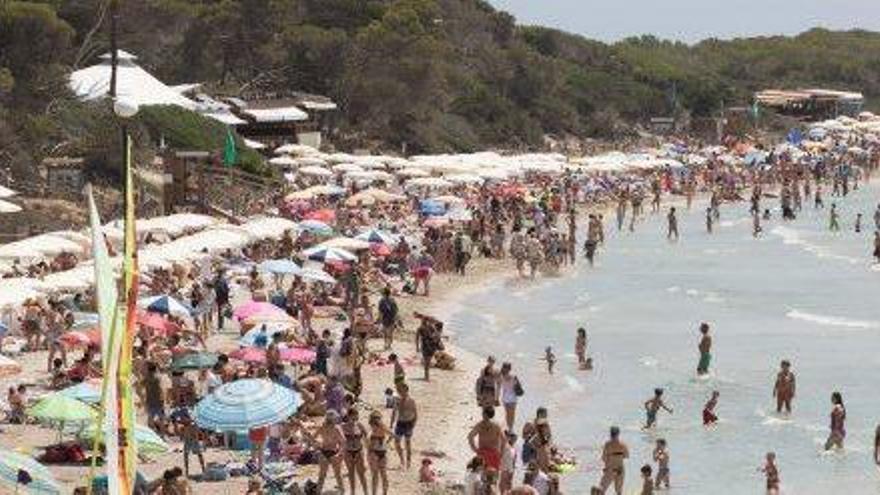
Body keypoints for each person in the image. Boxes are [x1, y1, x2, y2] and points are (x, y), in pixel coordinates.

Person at [468, 407, 506, 474]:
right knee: (493, 477)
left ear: (485, 414)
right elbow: (504, 440)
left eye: (482, 413)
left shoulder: (480, 425)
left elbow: (470, 436)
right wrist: (501, 453)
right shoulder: (497, 426)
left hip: (483, 453)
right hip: (494, 453)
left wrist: (475, 449)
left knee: (482, 476)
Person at [592, 426, 629, 495]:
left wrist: (607, 465)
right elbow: (626, 456)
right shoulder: (623, 445)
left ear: (610, 433)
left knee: (602, 488)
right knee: (619, 491)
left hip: (610, 469)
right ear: (618, 433)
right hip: (620, 469)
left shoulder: (608, 444)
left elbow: (604, 458)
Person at [341, 408, 369, 495]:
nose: (355, 420)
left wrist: (369, 452)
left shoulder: (360, 425)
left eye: (356, 418)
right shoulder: (343, 426)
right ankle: (353, 492)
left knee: (361, 474)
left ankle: (366, 492)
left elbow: (367, 438)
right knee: (351, 474)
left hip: (359, 451)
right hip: (348, 452)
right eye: (353, 418)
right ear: (348, 416)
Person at [391, 382, 418, 469]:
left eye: (402, 390)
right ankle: (402, 460)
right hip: (400, 423)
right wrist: (391, 423)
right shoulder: (397, 401)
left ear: (406, 390)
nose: (400, 392)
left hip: (408, 423)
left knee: (407, 443)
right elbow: (394, 412)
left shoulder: (411, 400)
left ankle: (408, 462)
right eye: (399, 391)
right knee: (397, 443)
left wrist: (414, 423)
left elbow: (415, 413)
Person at [367, 410, 393, 495]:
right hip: (382, 451)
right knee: (383, 475)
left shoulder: (373, 427)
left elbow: (367, 441)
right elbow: (392, 435)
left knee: (375, 476)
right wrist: (386, 443)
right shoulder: (382, 426)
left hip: (373, 452)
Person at [499, 362, 522, 431]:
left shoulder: (501, 377)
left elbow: (499, 387)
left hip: (505, 397)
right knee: (512, 414)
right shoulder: (514, 376)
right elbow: (518, 386)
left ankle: (509, 427)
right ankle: (511, 428)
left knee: (507, 413)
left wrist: (496, 398)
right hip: (513, 397)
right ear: (510, 369)